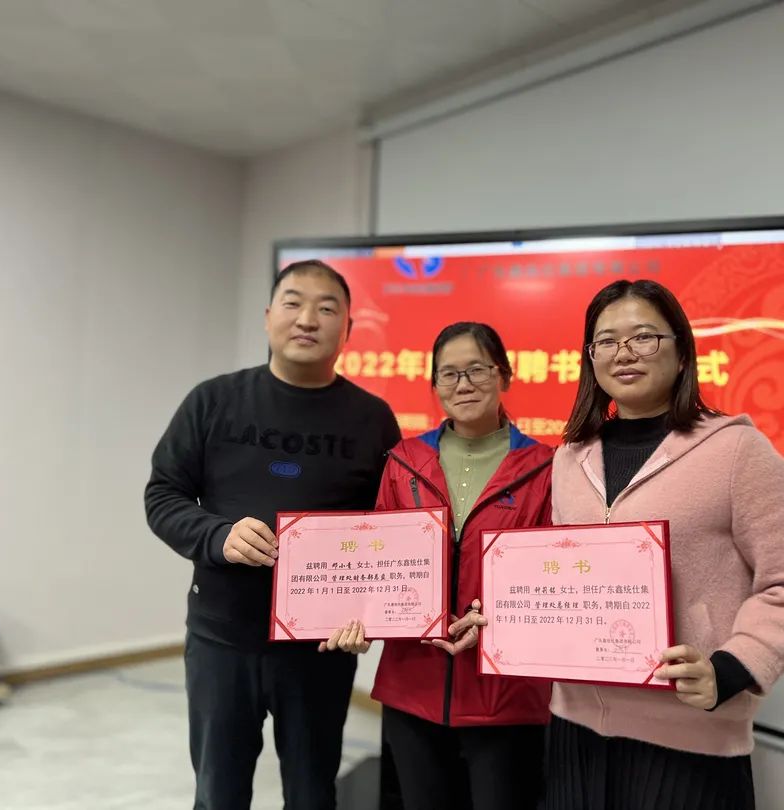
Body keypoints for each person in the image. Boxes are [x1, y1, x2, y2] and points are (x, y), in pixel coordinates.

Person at [545, 279, 784, 810]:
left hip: (689, 736)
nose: (623, 353)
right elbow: (561, 574)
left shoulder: (737, 451)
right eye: (606, 341)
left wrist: (730, 669)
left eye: (643, 337)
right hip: (573, 728)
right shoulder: (569, 458)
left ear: (681, 352)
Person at [144, 260, 401, 810]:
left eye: (326, 308)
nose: (308, 319)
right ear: (267, 317)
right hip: (222, 640)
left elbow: (390, 529)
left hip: (320, 649)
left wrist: (372, 610)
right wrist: (217, 536)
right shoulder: (213, 401)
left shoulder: (372, 419)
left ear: (349, 328)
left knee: (312, 794)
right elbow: (162, 495)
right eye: (293, 303)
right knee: (219, 792)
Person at [322, 322, 553, 810]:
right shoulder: (405, 461)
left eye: (477, 370)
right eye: (448, 374)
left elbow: (550, 577)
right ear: (434, 384)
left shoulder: (546, 467)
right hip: (412, 689)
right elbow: (376, 563)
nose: (463, 384)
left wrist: (496, 621)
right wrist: (360, 617)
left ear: (504, 375)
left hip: (505, 698)